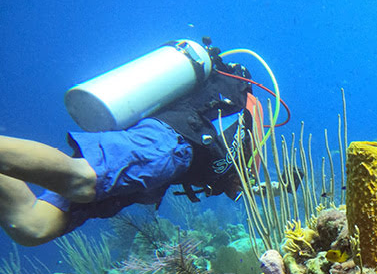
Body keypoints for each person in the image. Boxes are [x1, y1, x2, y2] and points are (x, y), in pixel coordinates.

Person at [0, 46, 262, 246]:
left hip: (161, 165)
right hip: (170, 143)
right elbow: (244, 170)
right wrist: (248, 183)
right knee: (81, 179)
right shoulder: (250, 107)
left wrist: (252, 186)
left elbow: (234, 174)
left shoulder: (228, 104)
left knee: (33, 226)